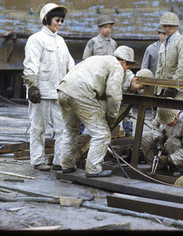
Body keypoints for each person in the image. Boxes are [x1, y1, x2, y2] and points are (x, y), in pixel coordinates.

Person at [58, 46, 138, 178]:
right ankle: (93, 169)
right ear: (123, 62)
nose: (125, 71)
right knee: (102, 134)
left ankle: (67, 165)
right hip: (80, 92)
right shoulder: (117, 66)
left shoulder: (100, 59)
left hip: (63, 89)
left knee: (70, 130)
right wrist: (111, 118)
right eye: (127, 67)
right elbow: (113, 95)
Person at [23, 3, 75, 171]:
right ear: (47, 19)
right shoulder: (36, 39)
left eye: (62, 21)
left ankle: (59, 161)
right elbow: (31, 64)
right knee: (38, 128)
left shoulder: (61, 41)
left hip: (58, 93)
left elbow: (70, 65)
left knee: (62, 129)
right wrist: (32, 87)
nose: (59, 23)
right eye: (57, 20)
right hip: (41, 93)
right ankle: (37, 160)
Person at [141, 107, 183, 173]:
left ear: (177, 116)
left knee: (171, 142)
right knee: (145, 138)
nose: (166, 124)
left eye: (168, 123)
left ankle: (180, 167)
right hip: (168, 138)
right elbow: (155, 124)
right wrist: (158, 138)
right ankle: (159, 166)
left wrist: (170, 159)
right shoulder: (163, 113)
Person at [154, 12, 183, 99]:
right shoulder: (163, 44)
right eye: (165, 26)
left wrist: (173, 86)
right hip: (164, 89)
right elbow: (159, 68)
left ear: (176, 26)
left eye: (170, 26)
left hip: (180, 90)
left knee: (176, 112)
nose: (167, 28)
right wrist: (156, 88)